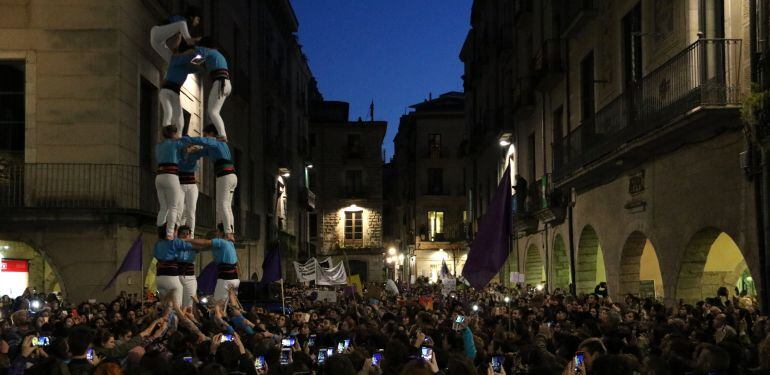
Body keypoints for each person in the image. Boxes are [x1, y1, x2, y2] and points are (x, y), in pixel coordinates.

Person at [183, 125, 237, 239]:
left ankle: (228, 232)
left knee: (223, 204)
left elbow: (202, 141)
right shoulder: (217, 146)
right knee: (226, 205)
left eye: (205, 134)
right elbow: (201, 153)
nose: (204, 136)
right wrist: (190, 151)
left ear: (211, 134)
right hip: (231, 175)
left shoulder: (215, 142)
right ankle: (228, 229)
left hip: (225, 175)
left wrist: (187, 140)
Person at [185, 224, 239, 304]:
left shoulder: (221, 242)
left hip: (225, 278)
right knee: (232, 304)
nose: (216, 233)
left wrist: (187, 240)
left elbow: (204, 243)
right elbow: (202, 247)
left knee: (218, 305)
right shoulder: (230, 243)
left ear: (221, 232)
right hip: (234, 278)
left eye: (217, 231)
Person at [194, 38, 232, 141]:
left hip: (220, 82)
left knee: (213, 112)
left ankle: (222, 135)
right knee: (210, 113)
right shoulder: (218, 55)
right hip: (225, 83)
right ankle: (212, 133)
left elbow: (195, 61)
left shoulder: (208, 51)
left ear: (205, 46)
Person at [155, 125, 187, 240]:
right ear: (174, 133)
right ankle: (169, 234)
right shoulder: (176, 143)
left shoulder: (158, 146)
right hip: (171, 176)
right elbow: (184, 155)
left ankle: (160, 233)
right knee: (173, 207)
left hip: (159, 176)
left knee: (163, 207)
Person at [159, 46, 198, 129]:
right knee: (168, 112)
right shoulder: (175, 59)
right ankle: (167, 133)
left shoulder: (186, 67)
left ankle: (176, 135)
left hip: (175, 92)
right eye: (189, 53)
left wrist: (203, 57)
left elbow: (197, 67)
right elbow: (187, 58)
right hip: (166, 91)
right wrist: (196, 53)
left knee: (179, 118)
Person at [153, 228, 193, 307]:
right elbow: (191, 246)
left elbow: (156, 255)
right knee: (176, 305)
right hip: (171, 276)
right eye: (176, 231)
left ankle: (161, 312)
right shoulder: (175, 241)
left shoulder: (158, 243)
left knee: (167, 305)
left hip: (159, 278)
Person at [177, 143, 206, 238]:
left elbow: (201, 150)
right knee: (180, 210)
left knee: (191, 211)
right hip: (180, 185)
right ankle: (177, 234)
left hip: (192, 186)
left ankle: (191, 235)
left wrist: (195, 149)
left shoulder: (193, 157)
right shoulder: (178, 156)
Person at [176, 225, 199, 308]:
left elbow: (203, 246)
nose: (186, 235)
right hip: (176, 277)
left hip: (190, 277)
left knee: (189, 305)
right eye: (183, 234)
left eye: (187, 234)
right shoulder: (175, 244)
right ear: (178, 235)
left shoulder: (193, 245)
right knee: (177, 305)